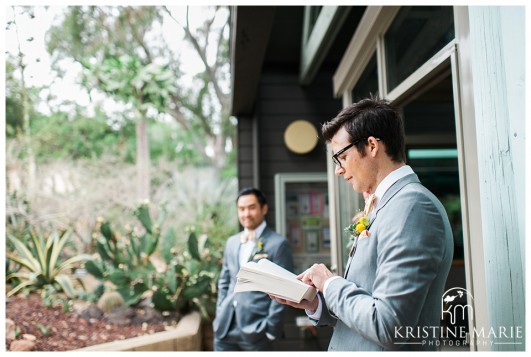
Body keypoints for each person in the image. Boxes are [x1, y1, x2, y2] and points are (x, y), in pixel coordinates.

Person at [270, 97, 454, 351]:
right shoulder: (388, 204)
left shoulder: (412, 207)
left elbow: (389, 324)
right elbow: (364, 303)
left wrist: (329, 283)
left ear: (371, 146)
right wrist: (314, 302)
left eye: (341, 157)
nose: (338, 170)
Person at [213, 187, 294, 351]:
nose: (246, 214)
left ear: (264, 209)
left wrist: (271, 329)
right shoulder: (232, 242)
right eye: (241, 209)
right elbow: (224, 282)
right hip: (225, 328)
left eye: (251, 207)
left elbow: (283, 289)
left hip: (257, 330)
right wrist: (220, 312)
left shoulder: (278, 244)